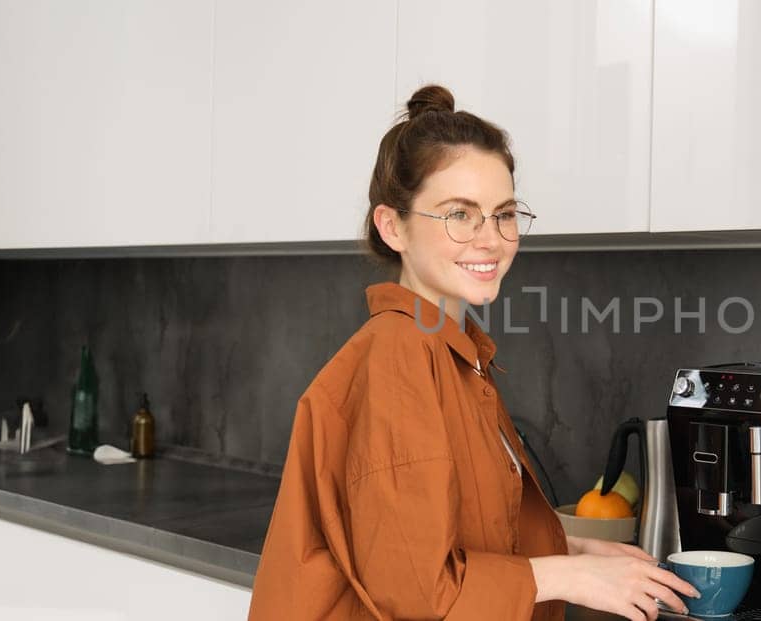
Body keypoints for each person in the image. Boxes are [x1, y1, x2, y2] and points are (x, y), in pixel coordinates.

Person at [248, 84, 698, 621]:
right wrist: (568, 574)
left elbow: (465, 535)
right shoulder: (401, 357)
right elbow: (417, 591)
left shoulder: (452, 353)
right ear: (393, 226)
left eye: (504, 214)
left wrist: (572, 550)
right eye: (459, 214)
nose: (491, 239)